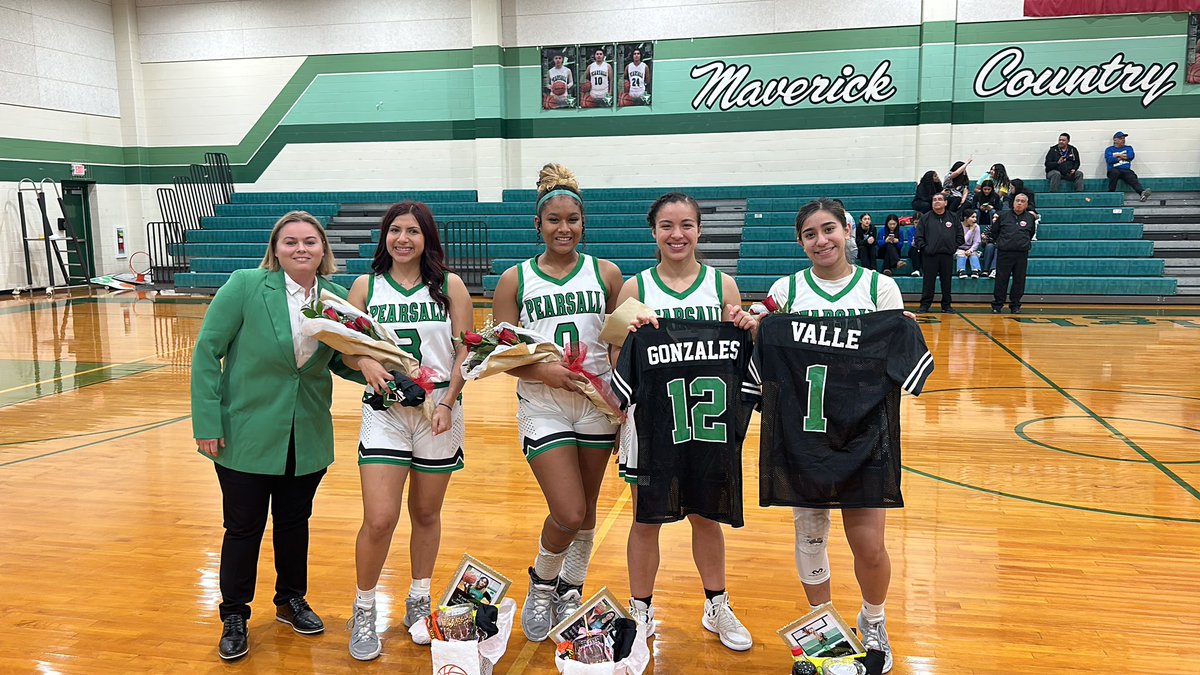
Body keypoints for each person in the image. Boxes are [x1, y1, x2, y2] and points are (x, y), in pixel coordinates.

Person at [191, 211, 363, 661]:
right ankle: (234, 613)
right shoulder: (246, 285)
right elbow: (208, 351)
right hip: (244, 433)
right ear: (276, 248)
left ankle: (290, 599)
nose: (301, 249)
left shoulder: (336, 299)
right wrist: (207, 422)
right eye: (291, 242)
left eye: (310, 241)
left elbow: (341, 361)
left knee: (294, 524)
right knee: (243, 527)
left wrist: (380, 371)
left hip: (305, 433)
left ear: (324, 249)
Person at [762, 198, 915, 674]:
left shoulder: (881, 289)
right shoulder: (785, 292)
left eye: (829, 229)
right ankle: (822, 627)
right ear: (800, 242)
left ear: (847, 231)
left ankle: (873, 621)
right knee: (810, 536)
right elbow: (755, 328)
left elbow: (899, 360)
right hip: (803, 434)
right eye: (810, 234)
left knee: (868, 543)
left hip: (865, 435)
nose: (821, 240)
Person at [613, 192, 758, 652]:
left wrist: (746, 324)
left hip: (707, 423)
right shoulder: (634, 289)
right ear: (653, 232)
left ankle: (716, 604)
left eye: (687, 225)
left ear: (699, 230)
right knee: (646, 518)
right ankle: (641, 611)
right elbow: (617, 357)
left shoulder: (723, 287)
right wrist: (631, 332)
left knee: (705, 516)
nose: (677, 235)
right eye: (667, 226)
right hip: (651, 424)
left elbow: (740, 358)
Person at [491, 163, 624, 642]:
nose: (564, 228)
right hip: (543, 402)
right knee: (567, 510)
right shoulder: (514, 279)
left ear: (583, 224)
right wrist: (545, 371)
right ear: (538, 225)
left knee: (586, 510)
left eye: (572, 219)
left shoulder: (606, 274)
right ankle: (543, 583)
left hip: (596, 402)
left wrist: (623, 404)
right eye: (554, 220)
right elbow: (499, 355)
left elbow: (618, 346)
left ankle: (572, 585)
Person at [345, 201, 473, 661]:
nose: (403, 239)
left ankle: (419, 596)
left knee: (425, 512)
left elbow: (466, 351)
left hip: (438, 408)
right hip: (385, 409)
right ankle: (363, 608)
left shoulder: (449, 286)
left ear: (427, 239)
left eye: (413, 232)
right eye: (395, 230)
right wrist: (363, 360)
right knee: (379, 518)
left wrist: (450, 400)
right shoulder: (365, 286)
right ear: (385, 236)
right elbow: (344, 345)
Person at [989, 192, 1037, 314]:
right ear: (1013, 202)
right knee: (1001, 279)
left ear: (1026, 204)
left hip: (1021, 253)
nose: (1019, 203)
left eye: (1022, 201)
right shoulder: (1003, 216)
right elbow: (994, 232)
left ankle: (1015, 305)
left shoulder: (1030, 218)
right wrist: (1002, 242)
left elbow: (1030, 233)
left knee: (1019, 280)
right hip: (1004, 252)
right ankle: (998, 304)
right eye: (1017, 200)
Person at [915, 193, 963, 313]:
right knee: (928, 282)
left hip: (947, 255)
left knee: (947, 282)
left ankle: (946, 305)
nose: (937, 202)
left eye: (940, 199)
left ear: (945, 203)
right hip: (930, 256)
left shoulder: (953, 217)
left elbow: (960, 236)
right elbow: (918, 237)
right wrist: (926, 248)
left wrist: (953, 247)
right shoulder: (925, 218)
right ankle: (925, 305)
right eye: (934, 200)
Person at [1105, 131, 1151, 201]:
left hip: (1125, 170)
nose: (1123, 140)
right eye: (1120, 138)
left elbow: (1131, 156)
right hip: (1114, 170)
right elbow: (1109, 160)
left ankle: (1142, 193)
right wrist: (1122, 156)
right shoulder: (1109, 149)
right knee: (1115, 173)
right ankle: (1111, 193)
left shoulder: (1128, 148)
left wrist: (1116, 156)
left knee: (1131, 177)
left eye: (1123, 138)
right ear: (1115, 140)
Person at [957, 211, 982, 279]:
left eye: (975, 217)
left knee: (973, 254)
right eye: (972, 217)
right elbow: (961, 241)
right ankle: (961, 271)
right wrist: (970, 231)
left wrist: (970, 250)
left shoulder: (976, 227)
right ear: (966, 218)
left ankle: (975, 271)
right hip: (959, 248)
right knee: (961, 253)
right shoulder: (959, 226)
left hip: (971, 248)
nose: (975, 219)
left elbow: (977, 242)